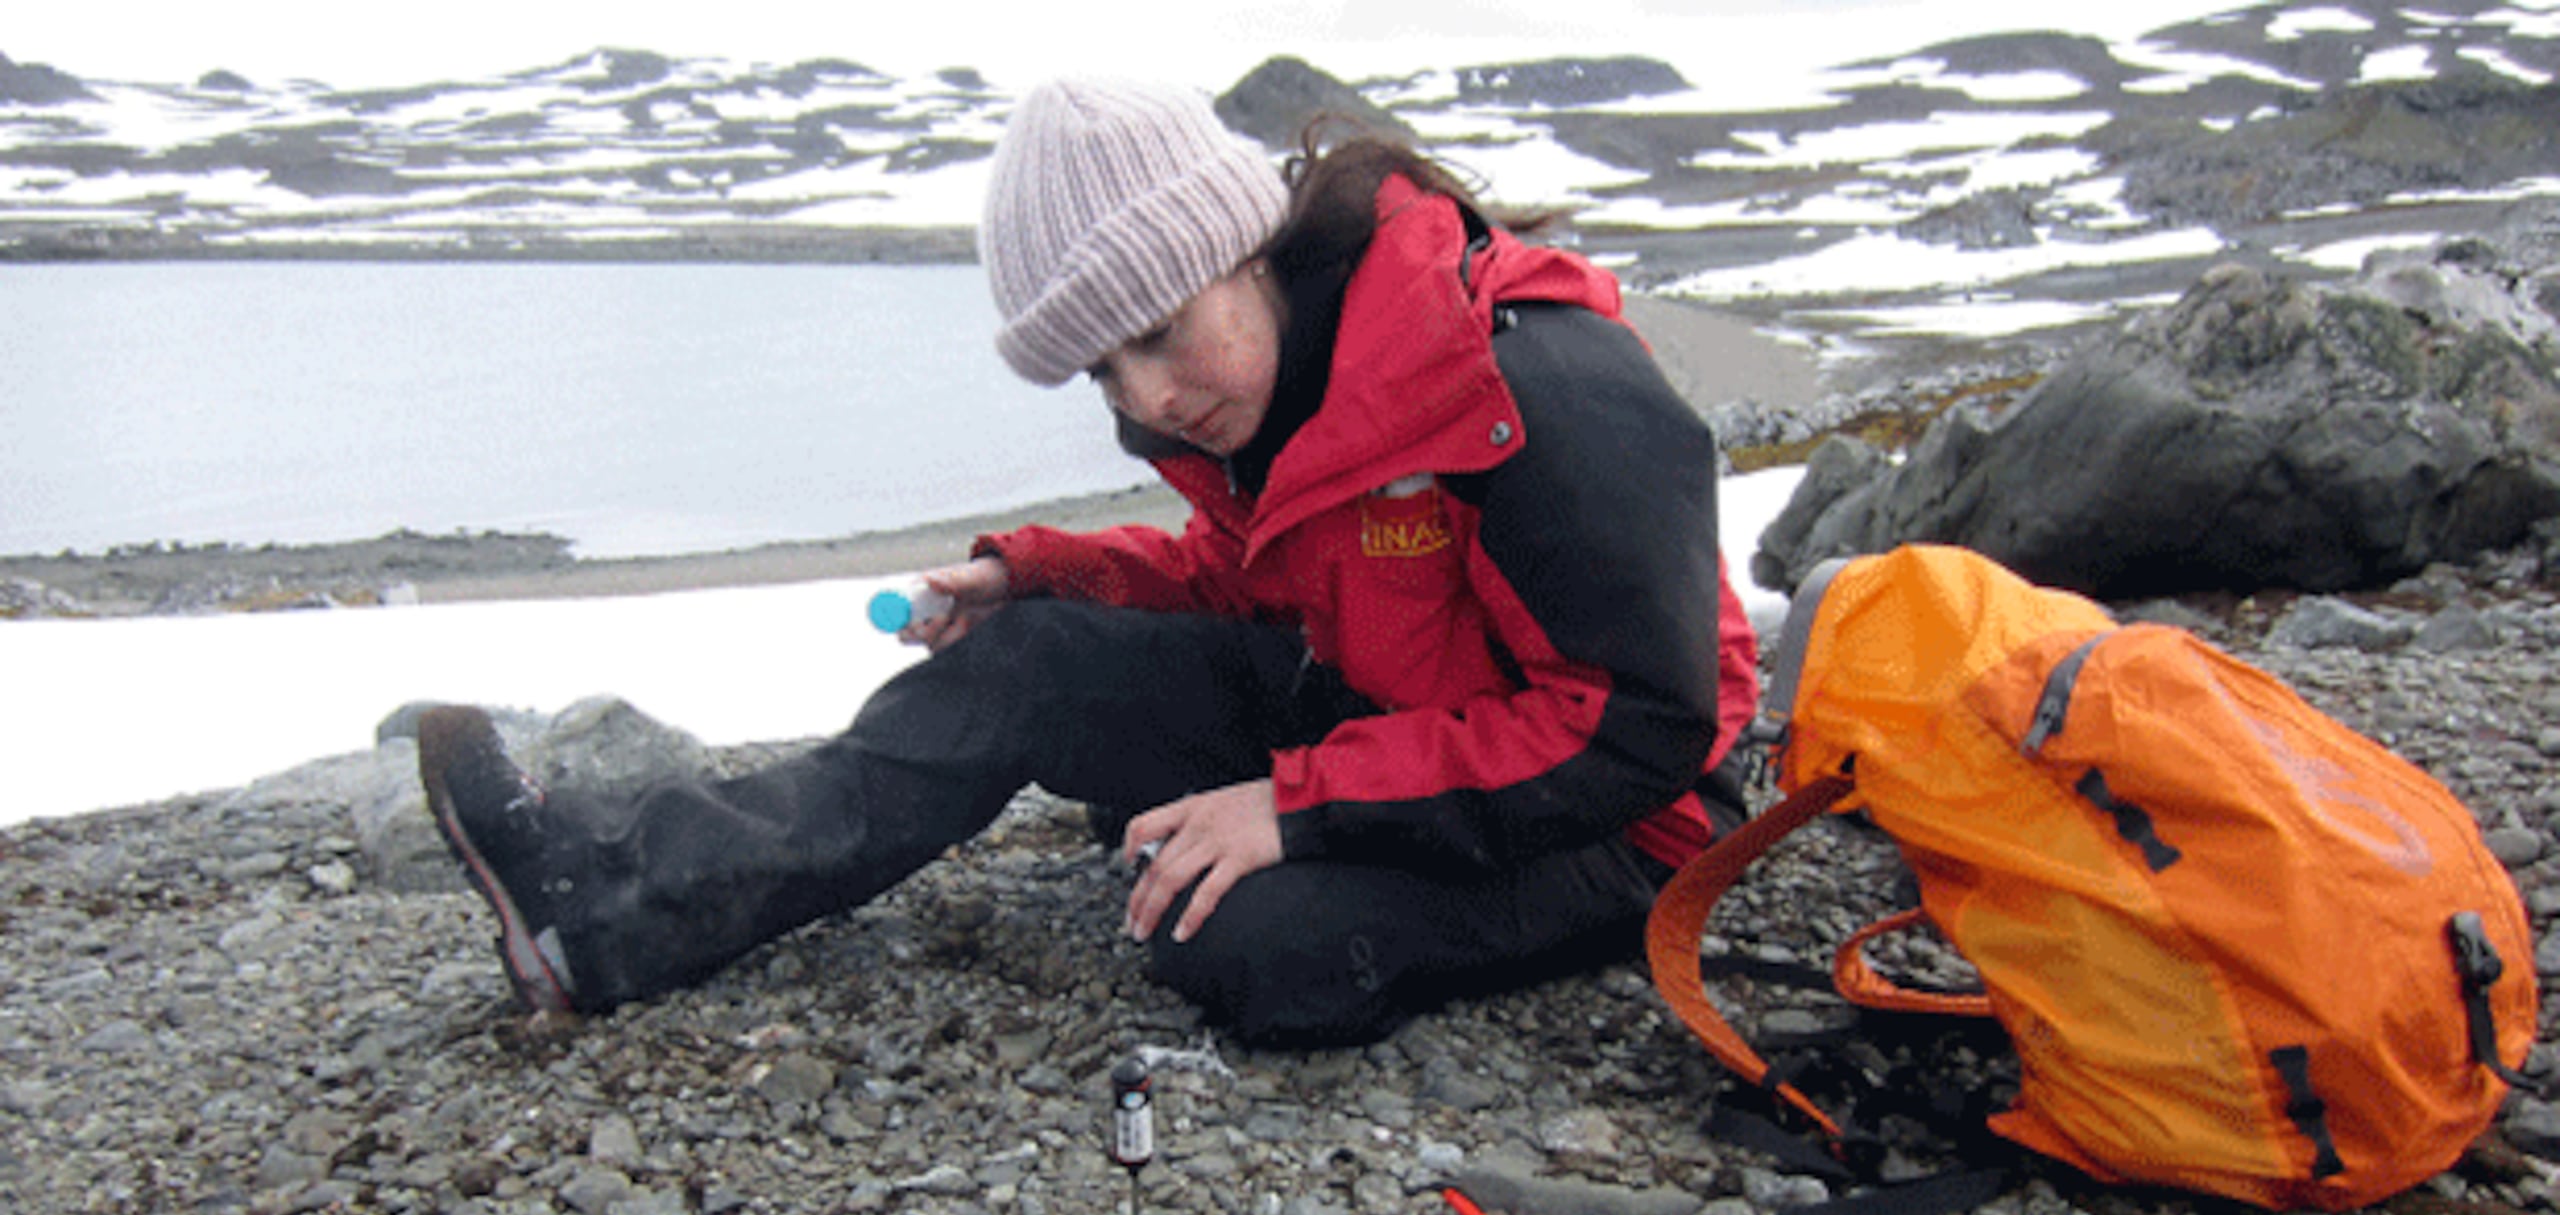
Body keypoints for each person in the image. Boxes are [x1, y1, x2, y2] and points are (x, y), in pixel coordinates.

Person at [416, 76, 1761, 1048]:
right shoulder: (1285, 386)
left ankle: (1325, 883)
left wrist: (1295, 808)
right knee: (1028, 659)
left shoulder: (1524, 377)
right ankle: (607, 904)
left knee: (1244, 950)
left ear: (1244, 250)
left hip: (1621, 821)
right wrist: (1042, 573)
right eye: (1105, 370)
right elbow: (1254, 576)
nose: (1152, 398)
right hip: (1387, 726)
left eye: (1163, 334)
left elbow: (1642, 726)